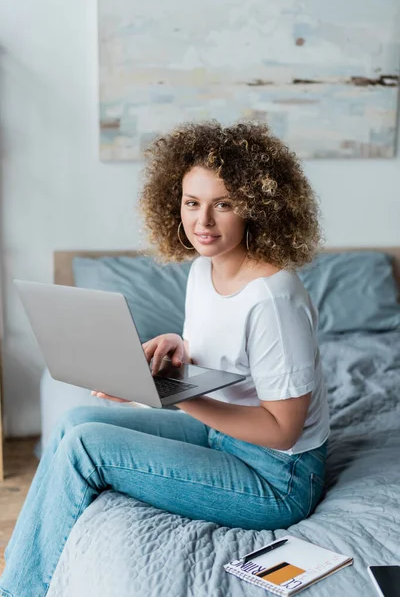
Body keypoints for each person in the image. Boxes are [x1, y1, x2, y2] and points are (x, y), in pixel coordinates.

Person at [0, 121, 330, 597]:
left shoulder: (273, 299)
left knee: (86, 448)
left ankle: (18, 592)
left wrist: (169, 395)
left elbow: (284, 430)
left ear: (258, 208)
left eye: (224, 204)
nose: (204, 222)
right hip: (223, 436)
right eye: (192, 202)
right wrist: (179, 346)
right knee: (74, 422)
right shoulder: (203, 270)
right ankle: (21, 572)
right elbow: (226, 358)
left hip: (278, 479)